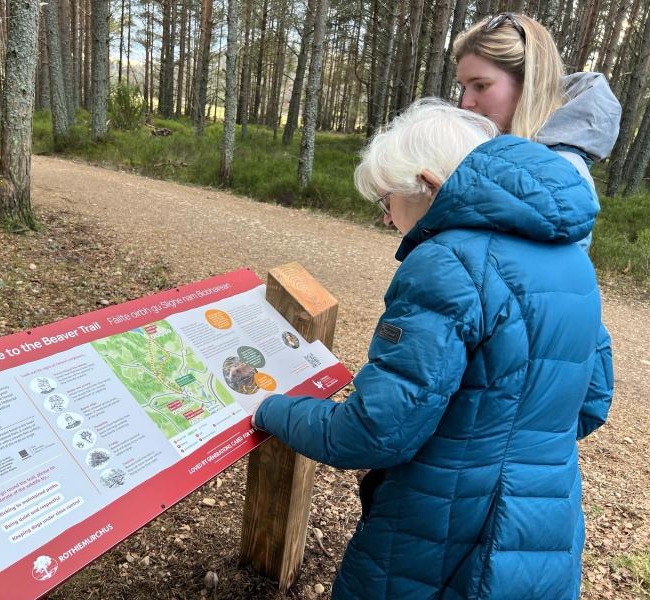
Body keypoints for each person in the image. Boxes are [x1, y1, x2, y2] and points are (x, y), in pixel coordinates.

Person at [251, 100, 614, 599]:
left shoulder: (446, 263)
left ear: (426, 183)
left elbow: (376, 433)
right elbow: (591, 404)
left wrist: (268, 407)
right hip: (546, 523)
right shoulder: (570, 262)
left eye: (385, 200)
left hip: (444, 531)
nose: (385, 218)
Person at [453, 12, 621, 252]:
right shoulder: (512, 157)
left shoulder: (559, 174)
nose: (465, 102)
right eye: (464, 87)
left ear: (529, 82)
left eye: (481, 85)